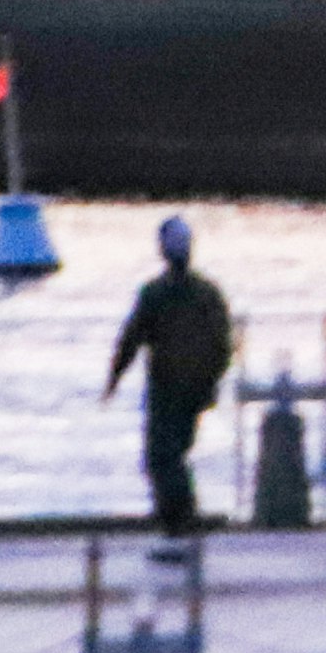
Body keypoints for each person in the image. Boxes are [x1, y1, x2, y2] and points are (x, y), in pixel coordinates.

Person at [103, 215, 233, 549]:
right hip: (195, 389)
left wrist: (114, 379)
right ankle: (180, 518)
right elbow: (223, 343)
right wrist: (211, 382)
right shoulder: (209, 294)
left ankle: (178, 520)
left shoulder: (155, 293)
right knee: (176, 452)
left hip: (166, 387)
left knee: (161, 456)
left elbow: (131, 339)